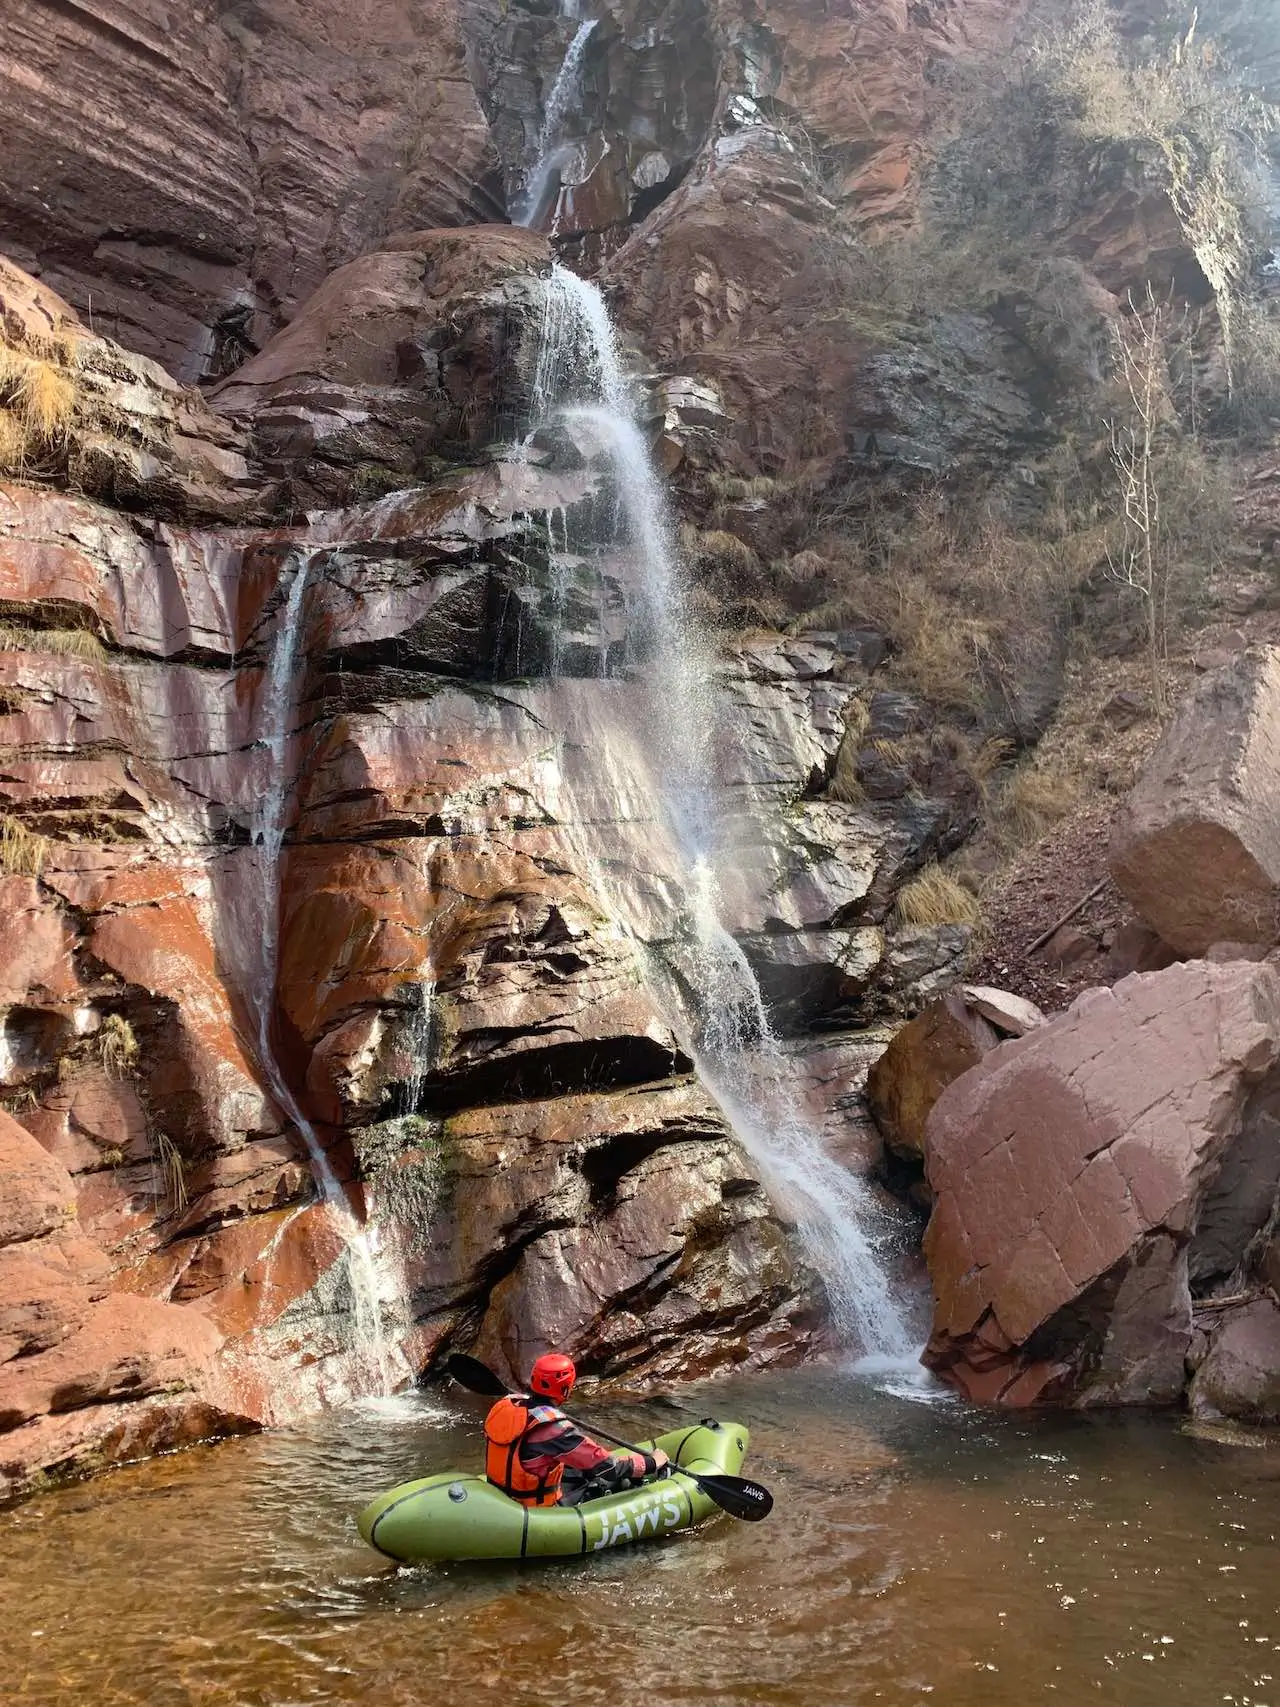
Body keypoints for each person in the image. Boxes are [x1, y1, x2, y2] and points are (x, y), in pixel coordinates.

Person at [483, 1352, 669, 1508]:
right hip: (535, 1508)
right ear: (565, 1388)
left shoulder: (507, 1407)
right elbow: (609, 1467)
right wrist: (652, 1462)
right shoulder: (556, 1430)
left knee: (577, 1468)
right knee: (613, 1479)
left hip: (504, 1498)